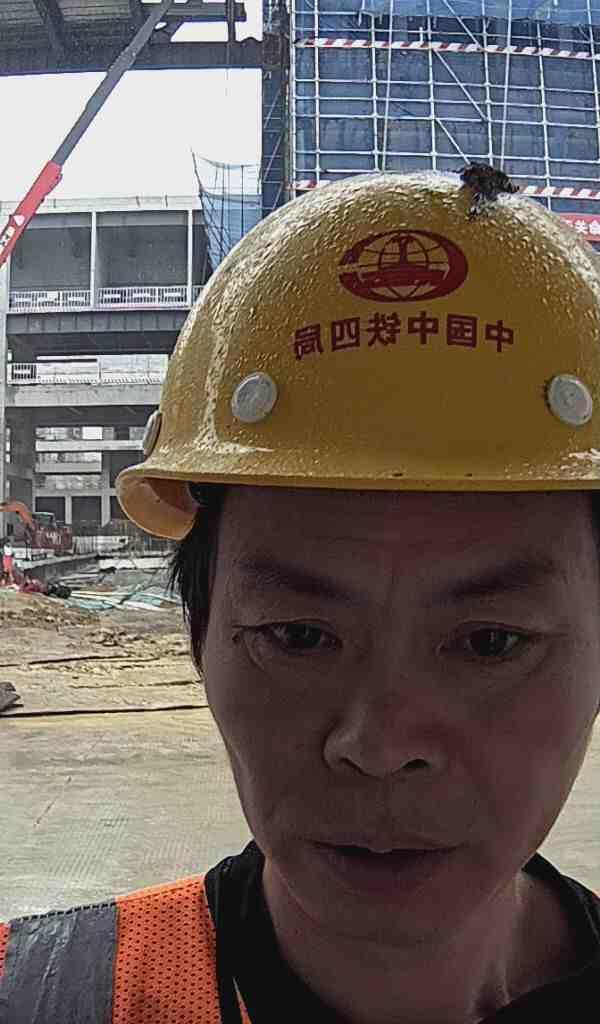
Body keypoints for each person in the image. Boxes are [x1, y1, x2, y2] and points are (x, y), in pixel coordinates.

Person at [2, 166, 600, 1022]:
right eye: (299, 636)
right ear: (199, 636)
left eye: (490, 641)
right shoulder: (48, 996)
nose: (380, 746)